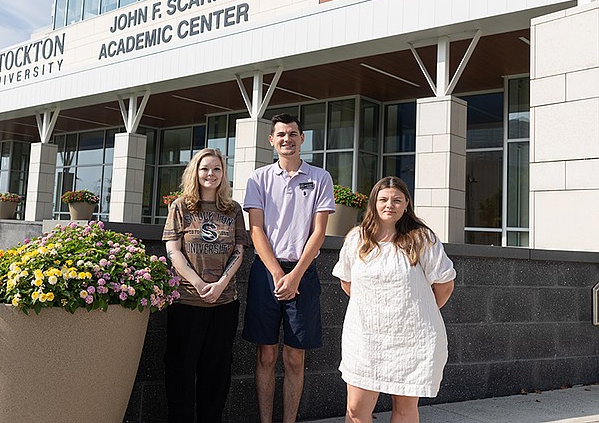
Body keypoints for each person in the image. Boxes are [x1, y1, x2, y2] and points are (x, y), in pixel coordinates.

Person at [332, 176, 456, 423]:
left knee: (404, 410)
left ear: (406, 204)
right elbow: (347, 281)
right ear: (374, 203)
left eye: (397, 200)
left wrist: (418, 311)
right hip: (365, 338)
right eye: (384, 199)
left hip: (410, 339)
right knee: (356, 410)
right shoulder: (357, 238)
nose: (390, 205)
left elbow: (444, 284)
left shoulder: (422, 239)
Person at [242, 113, 335, 423]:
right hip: (266, 272)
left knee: (295, 357)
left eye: (292, 134)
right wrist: (277, 274)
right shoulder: (258, 178)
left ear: (301, 138)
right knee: (266, 353)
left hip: (303, 273)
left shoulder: (320, 177)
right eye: (280, 134)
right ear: (272, 140)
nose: (287, 139)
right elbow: (256, 230)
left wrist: (294, 275)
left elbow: (319, 232)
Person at [162, 147, 247, 423]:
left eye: (217, 169)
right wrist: (198, 283)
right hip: (187, 301)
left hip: (224, 304)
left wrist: (221, 284)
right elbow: (173, 251)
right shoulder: (181, 206)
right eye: (205, 169)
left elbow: (239, 249)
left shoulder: (233, 209)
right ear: (195, 172)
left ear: (224, 175)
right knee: (181, 370)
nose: (211, 174)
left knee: (217, 372)